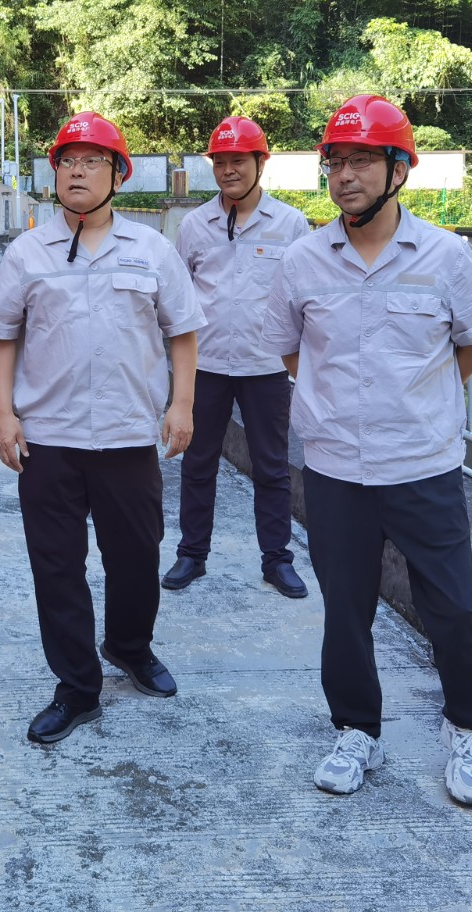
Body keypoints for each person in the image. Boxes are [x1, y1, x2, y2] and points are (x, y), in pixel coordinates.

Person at [260, 94, 472, 808]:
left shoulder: (444, 256)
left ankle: (468, 729)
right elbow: (290, 352)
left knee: (455, 607)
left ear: (399, 169)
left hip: (424, 464)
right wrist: (342, 408)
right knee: (345, 611)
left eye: (362, 160)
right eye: (335, 161)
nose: (344, 175)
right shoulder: (303, 260)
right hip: (336, 467)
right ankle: (356, 730)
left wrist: (412, 402)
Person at [0, 111, 205, 745]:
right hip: (48, 440)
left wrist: (181, 405)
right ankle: (77, 687)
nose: (77, 171)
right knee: (57, 567)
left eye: (92, 162)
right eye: (67, 162)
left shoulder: (152, 250)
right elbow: (2, 337)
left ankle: (130, 647)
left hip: (129, 436)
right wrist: (4, 415)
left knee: (135, 556)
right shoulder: (28, 252)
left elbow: (183, 333)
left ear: (118, 175)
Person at [164, 115, 310, 599]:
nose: (228, 170)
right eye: (220, 162)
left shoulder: (290, 224)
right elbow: (179, 298)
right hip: (205, 367)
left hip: (266, 367)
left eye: (238, 161)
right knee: (197, 462)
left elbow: (301, 297)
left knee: (272, 467)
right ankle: (192, 554)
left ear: (260, 163)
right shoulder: (194, 225)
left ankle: (277, 560)